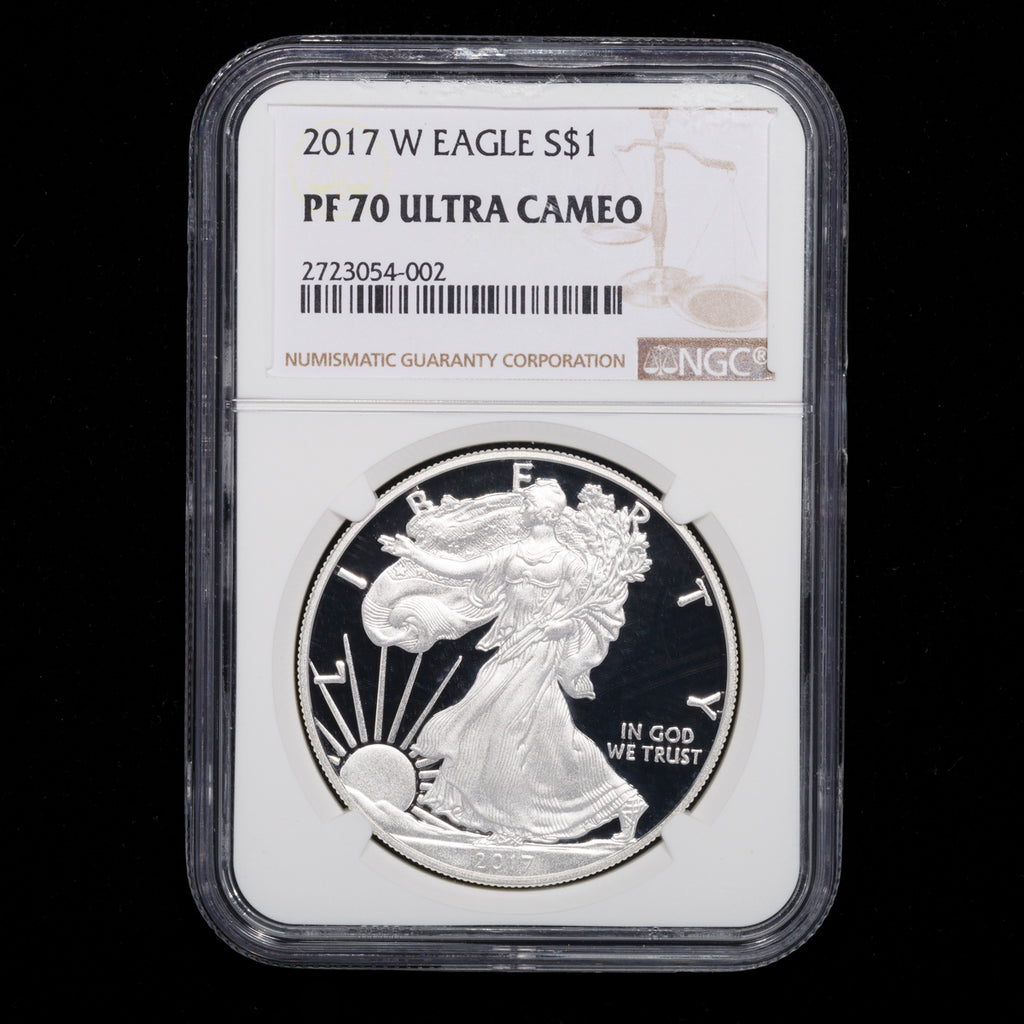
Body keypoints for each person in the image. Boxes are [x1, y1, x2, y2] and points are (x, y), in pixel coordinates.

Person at [372, 478, 647, 844]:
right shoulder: (512, 553)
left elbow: (594, 611)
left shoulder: (570, 562)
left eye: (530, 503)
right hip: (514, 645)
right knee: (551, 737)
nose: (524, 508)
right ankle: (623, 801)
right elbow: (462, 569)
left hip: (542, 650)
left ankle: (514, 825)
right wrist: (415, 554)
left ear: (546, 513)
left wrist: (563, 625)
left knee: (506, 726)